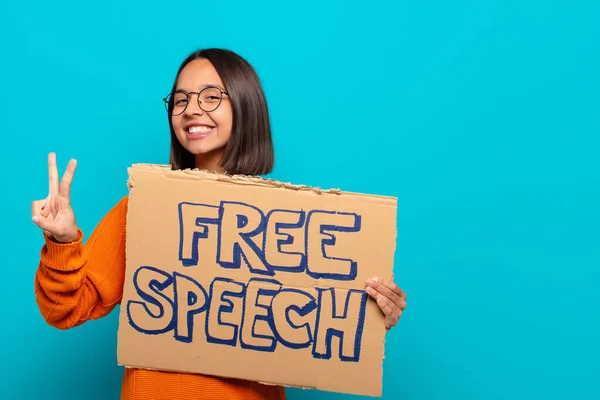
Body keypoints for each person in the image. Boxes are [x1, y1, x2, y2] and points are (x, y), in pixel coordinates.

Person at [31, 48, 408, 400]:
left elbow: (322, 317)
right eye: (181, 100)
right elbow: (67, 308)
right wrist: (63, 242)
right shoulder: (142, 209)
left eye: (211, 96)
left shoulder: (290, 224)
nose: (191, 109)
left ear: (244, 105)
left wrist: (371, 317)